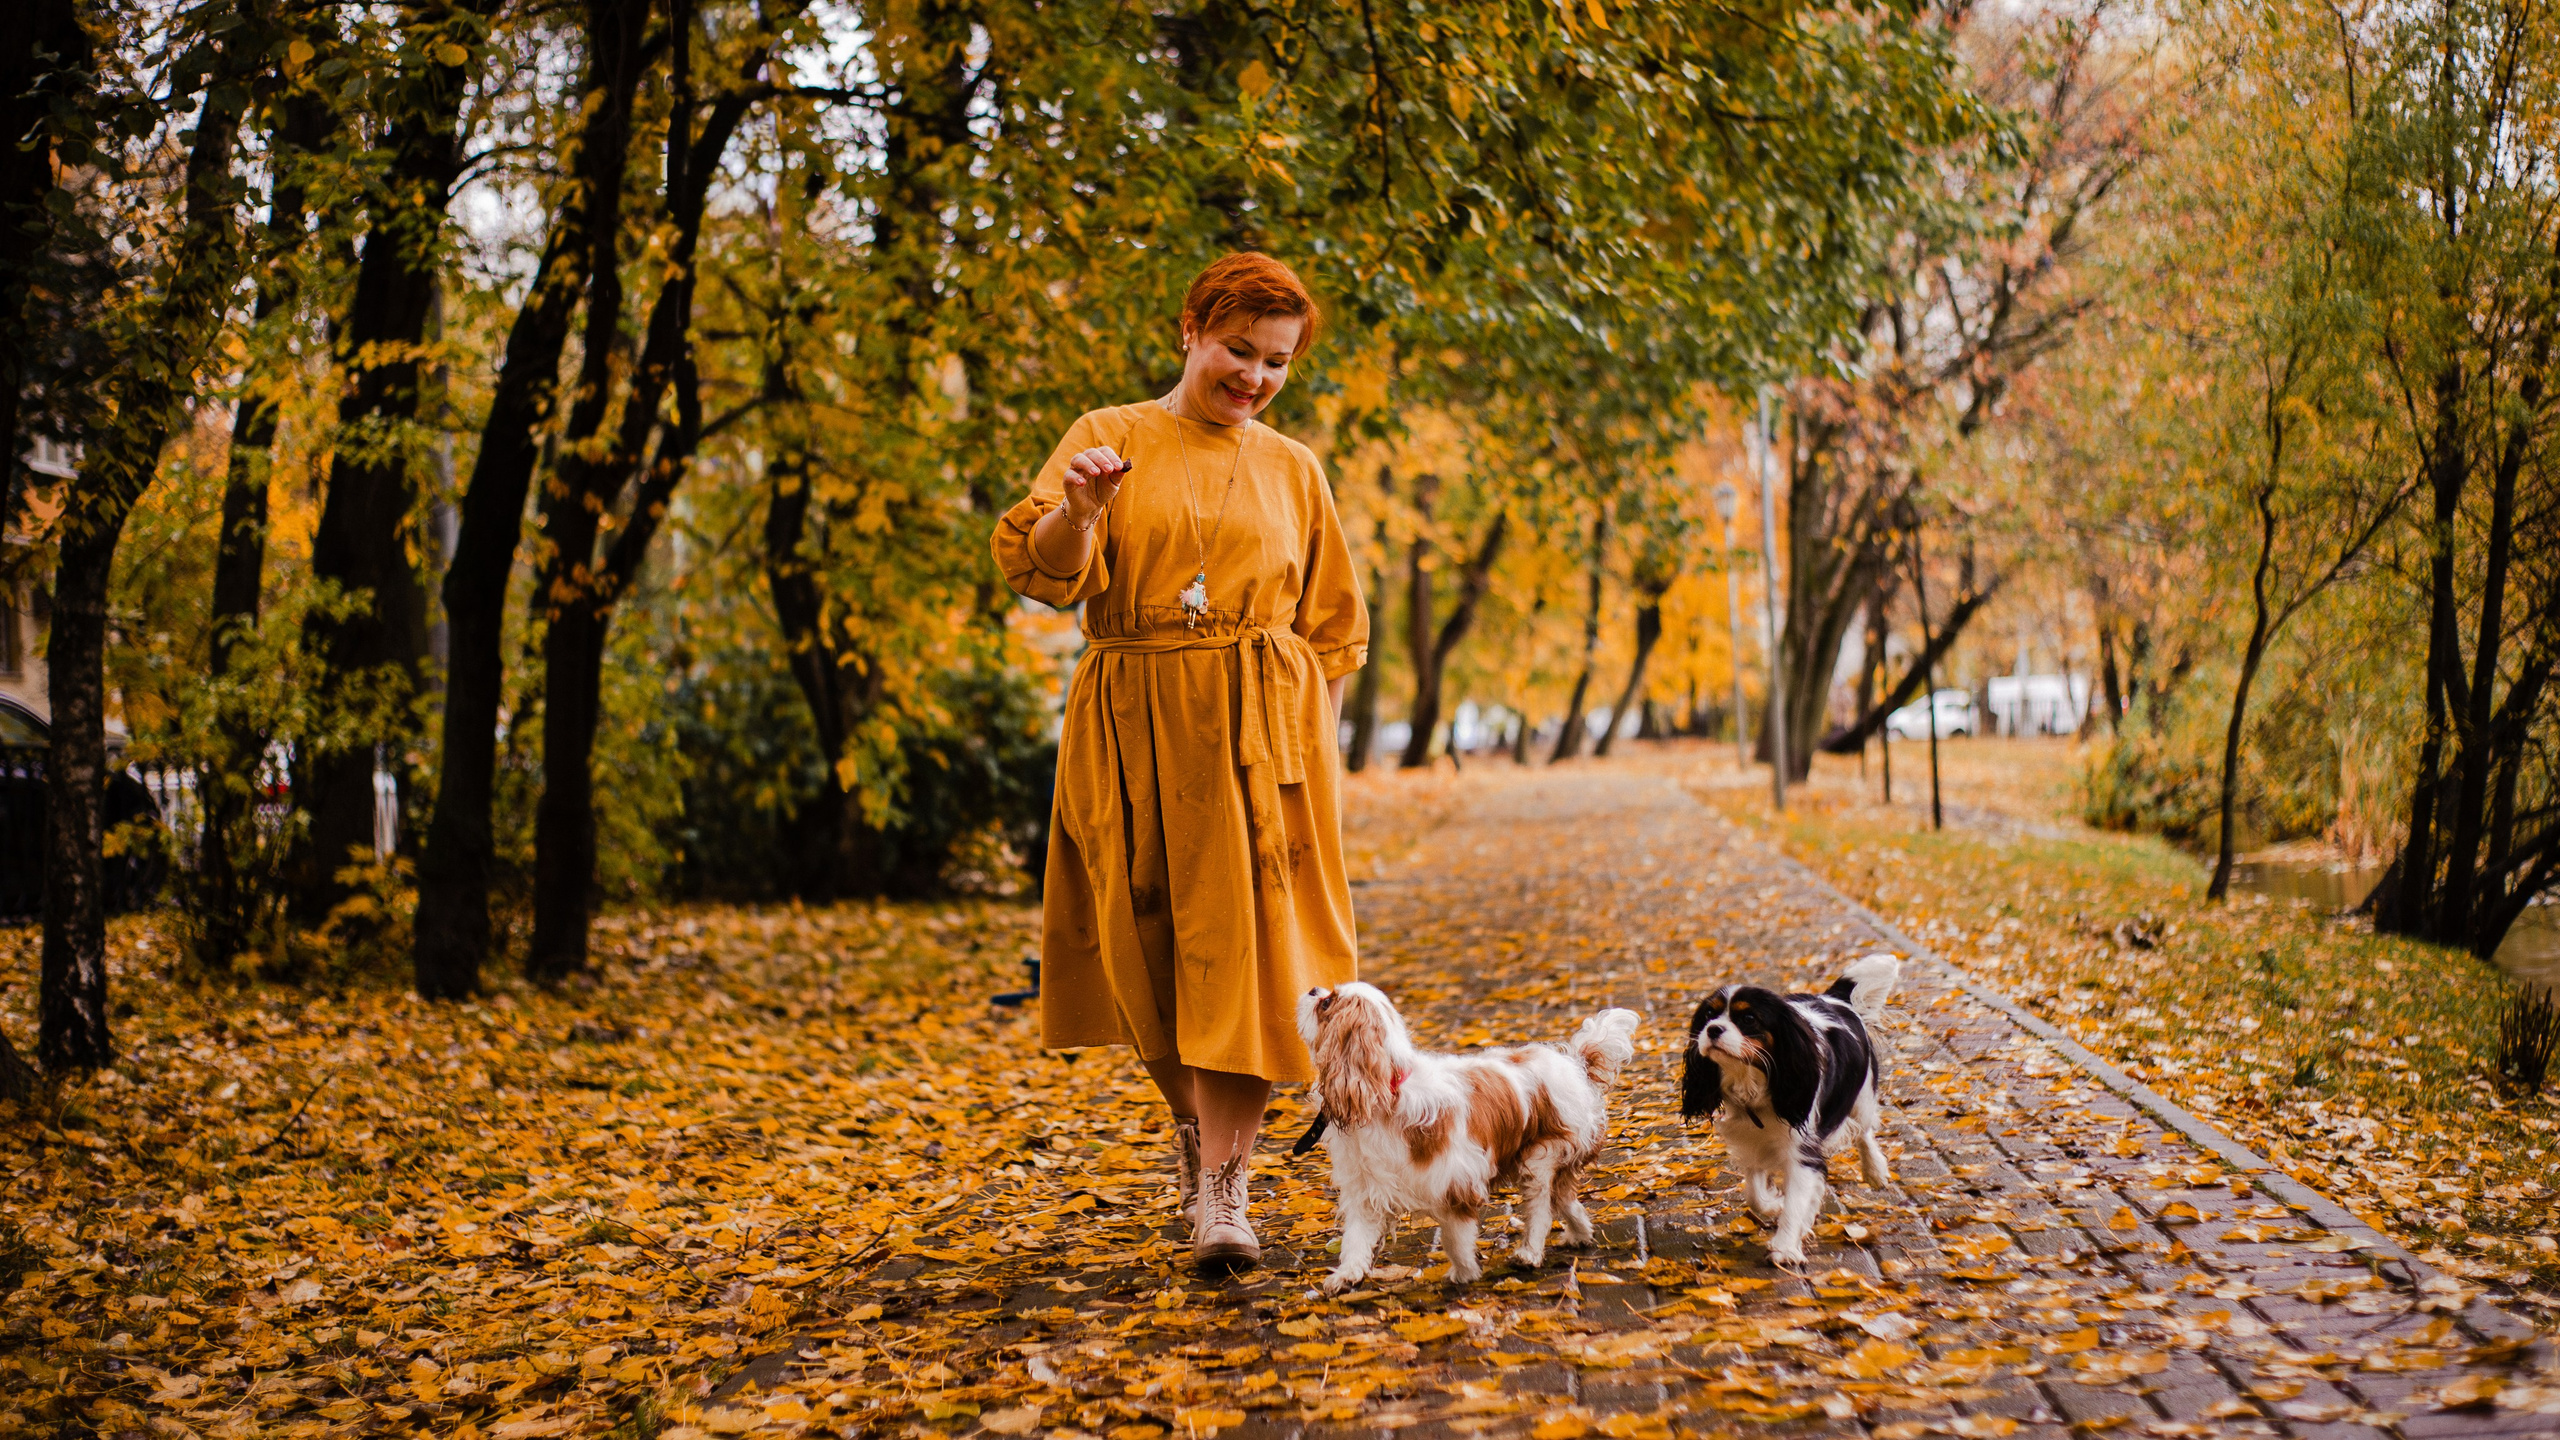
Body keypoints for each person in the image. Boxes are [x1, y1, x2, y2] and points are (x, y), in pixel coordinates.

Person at [990, 252, 1369, 1274]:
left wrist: (1316, 773)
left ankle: (1224, 1192)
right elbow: (1049, 578)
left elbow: (1333, 629)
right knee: (1140, 951)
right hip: (1131, 723)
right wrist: (1081, 509)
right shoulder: (1106, 437)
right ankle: (1198, 1130)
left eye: (1277, 361)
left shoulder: (1294, 468)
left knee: (1249, 965)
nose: (1253, 376)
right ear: (1191, 334)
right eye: (1236, 350)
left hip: (1261, 743)